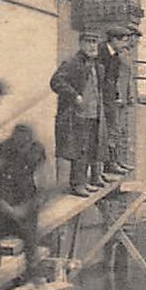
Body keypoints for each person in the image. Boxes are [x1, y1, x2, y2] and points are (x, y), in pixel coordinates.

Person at [0, 123, 47, 283]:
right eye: (20, 146)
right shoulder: (2, 155)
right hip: (5, 201)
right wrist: (8, 208)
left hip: (24, 200)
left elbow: (40, 188)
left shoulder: (36, 153)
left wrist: (26, 207)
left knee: (30, 231)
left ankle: (33, 270)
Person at [51, 32, 108, 196]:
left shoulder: (97, 65)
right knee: (80, 149)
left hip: (94, 113)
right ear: (81, 44)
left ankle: (84, 181)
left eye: (95, 42)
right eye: (89, 42)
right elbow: (56, 81)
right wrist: (74, 95)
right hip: (77, 114)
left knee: (91, 148)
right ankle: (77, 184)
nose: (92, 46)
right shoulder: (72, 62)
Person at [100, 26, 138, 177]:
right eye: (125, 39)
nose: (128, 43)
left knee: (116, 130)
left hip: (114, 97)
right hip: (105, 98)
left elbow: (115, 78)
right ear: (114, 39)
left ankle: (114, 162)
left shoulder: (115, 54)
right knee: (110, 131)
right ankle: (109, 164)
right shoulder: (104, 52)